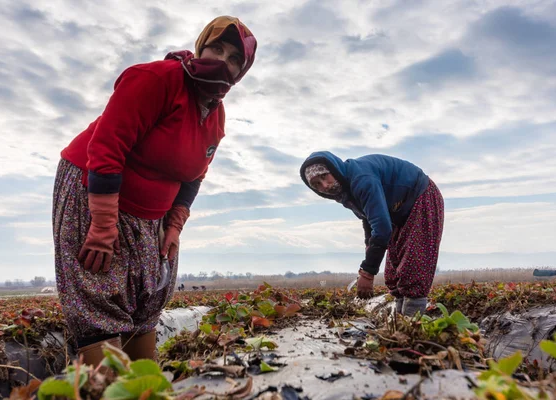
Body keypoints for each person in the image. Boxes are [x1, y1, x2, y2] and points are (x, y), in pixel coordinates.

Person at [52, 16, 257, 369]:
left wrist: (175, 224)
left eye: (235, 59)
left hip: (153, 215)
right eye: (217, 49)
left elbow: (195, 176)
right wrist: (102, 224)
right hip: (95, 191)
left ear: (242, 71)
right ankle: (105, 385)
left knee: (150, 292)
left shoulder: (216, 116)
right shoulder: (156, 80)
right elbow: (105, 149)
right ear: (200, 48)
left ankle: (144, 384)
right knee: (99, 289)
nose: (223, 62)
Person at [299, 151, 444, 316]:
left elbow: (382, 228)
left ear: (334, 168)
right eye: (317, 184)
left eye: (325, 176)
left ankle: (413, 326)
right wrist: (368, 251)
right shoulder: (346, 192)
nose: (324, 186)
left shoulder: (361, 179)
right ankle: (401, 322)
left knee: (413, 265)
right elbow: (369, 221)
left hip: (421, 196)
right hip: (397, 212)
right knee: (394, 269)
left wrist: (367, 273)